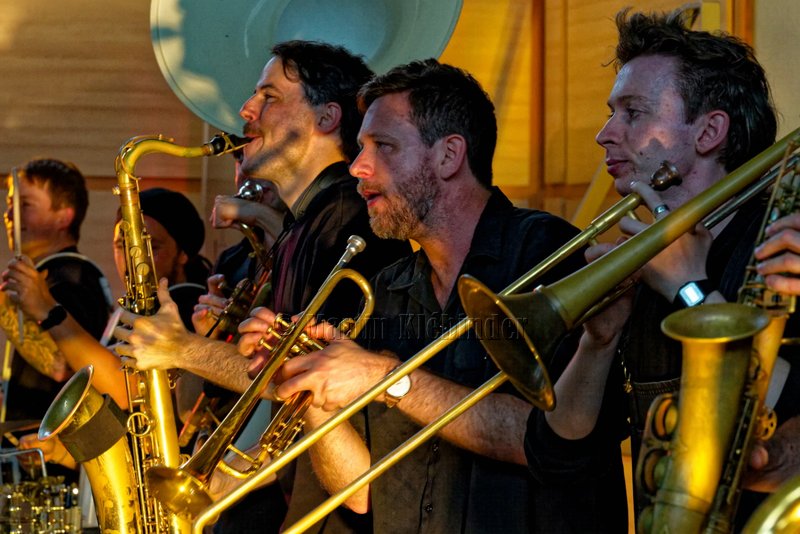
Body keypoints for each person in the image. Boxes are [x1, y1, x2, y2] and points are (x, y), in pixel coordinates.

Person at [236, 58, 585, 533]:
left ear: (449, 156)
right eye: (361, 147)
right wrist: (310, 383)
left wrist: (385, 378)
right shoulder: (386, 288)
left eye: (383, 146)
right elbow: (359, 492)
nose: (357, 167)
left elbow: (554, 439)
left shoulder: (546, 252)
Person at [114, 40, 412, 533]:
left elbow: (312, 378)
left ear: (326, 117)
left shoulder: (345, 219)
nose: (246, 110)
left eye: (269, 97)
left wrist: (181, 348)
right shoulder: (305, 224)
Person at [523, 7, 800, 532]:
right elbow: (558, 455)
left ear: (709, 131)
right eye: (612, 112)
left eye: (632, 112)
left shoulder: (785, 241)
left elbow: (789, 407)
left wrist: (690, 290)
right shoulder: (641, 261)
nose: (605, 134)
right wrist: (598, 342)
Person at [6, 187, 212, 453]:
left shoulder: (186, 304)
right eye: (121, 245)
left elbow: (125, 390)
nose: (133, 258)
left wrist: (48, 311)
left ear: (183, 253)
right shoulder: (129, 311)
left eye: (152, 246)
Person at [0, 159, 110, 425]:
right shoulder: (49, 272)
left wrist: (3, 306)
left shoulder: (71, 275)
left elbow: (62, 366)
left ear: (63, 217)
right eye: (10, 203)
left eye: (25, 205)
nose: (10, 214)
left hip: (50, 445)